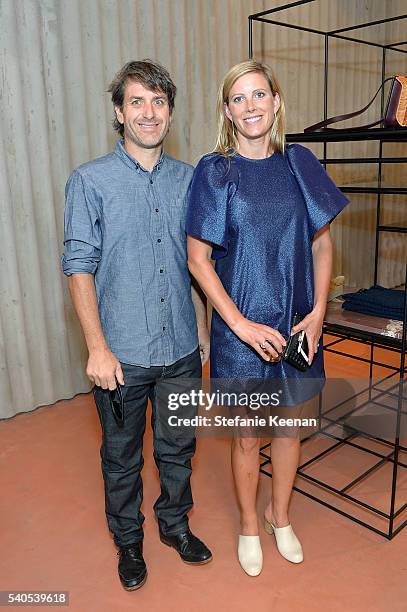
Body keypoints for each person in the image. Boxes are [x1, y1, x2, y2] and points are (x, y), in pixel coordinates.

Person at [186, 60, 348, 576]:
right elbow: (197, 259)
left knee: (290, 428)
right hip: (243, 333)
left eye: (259, 94)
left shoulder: (300, 162)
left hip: (299, 325)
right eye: (238, 98)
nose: (250, 105)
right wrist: (238, 326)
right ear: (228, 111)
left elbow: (323, 247)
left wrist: (320, 311)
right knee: (248, 435)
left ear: (276, 102)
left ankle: (280, 517)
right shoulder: (216, 172)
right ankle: (250, 527)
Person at [61, 60, 212, 591]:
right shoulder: (89, 181)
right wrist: (97, 348)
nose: (149, 112)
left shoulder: (191, 180)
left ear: (170, 113)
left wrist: (201, 327)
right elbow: (78, 266)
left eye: (159, 102)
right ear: (119, 112)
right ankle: (128, 540)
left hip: (180, 351)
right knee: (121, 457)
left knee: (178, 448)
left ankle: (175, 525)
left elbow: (195, 262)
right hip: (120, 357)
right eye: (137, 102)